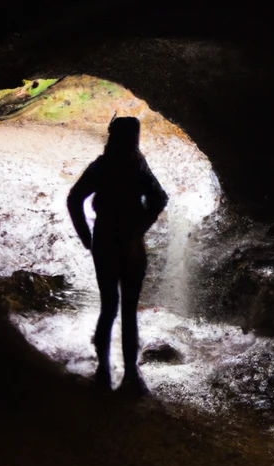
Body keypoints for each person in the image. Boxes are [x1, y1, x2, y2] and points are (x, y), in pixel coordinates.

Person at [67, 116, 168, 391]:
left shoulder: (101, 166)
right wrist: (141, 226)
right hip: (131, 241)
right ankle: (131, 375)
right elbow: (160, 197)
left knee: (109, 306)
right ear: (135, 137)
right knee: (129, 310)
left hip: (105, 240)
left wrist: (87, 238)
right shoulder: (138, 165)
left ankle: (103, 372)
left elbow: (75, 198)